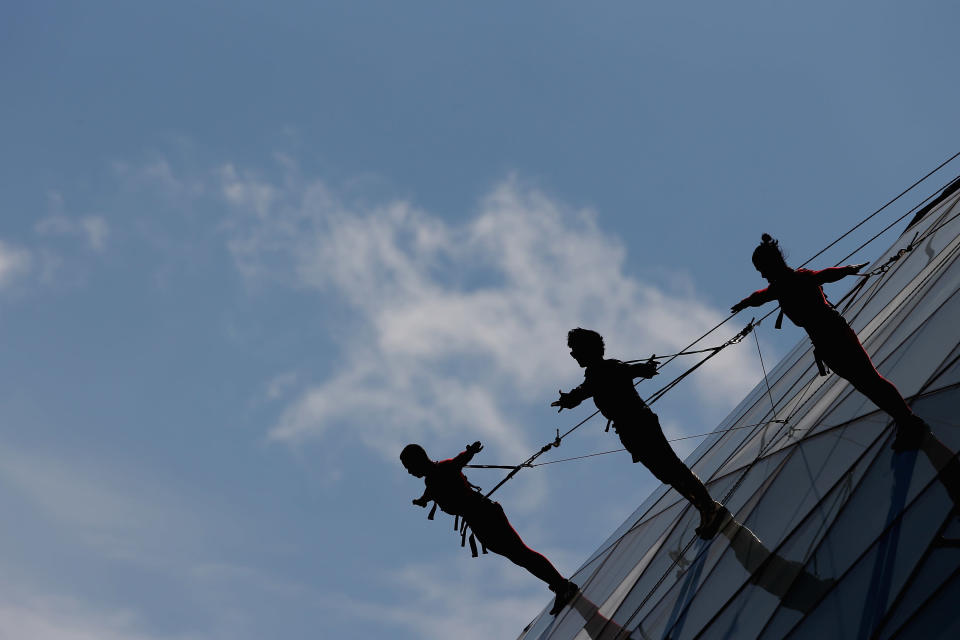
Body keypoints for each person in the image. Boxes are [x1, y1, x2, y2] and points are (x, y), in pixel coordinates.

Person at [731, 233, 929, 451]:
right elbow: (760, 296)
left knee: (870, 380)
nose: (762, 275)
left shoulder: (800, 278)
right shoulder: (779, 288)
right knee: (865, 384)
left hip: (837, 337)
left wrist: (847, 270)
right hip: (827, 345)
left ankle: (909, 421)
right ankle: (904, 421)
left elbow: (824, 275)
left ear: (772, 264)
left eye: (762, 270)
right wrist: (745, 302)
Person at [552, 328, 724, 538]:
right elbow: (585, 390)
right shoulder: (596, 374)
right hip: (630, 430)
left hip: (640, 424)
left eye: (575, 350)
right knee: (667, 473)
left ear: (588, 349)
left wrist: (645, 368)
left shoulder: (607, 368)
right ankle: (705, 508)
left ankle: (709, 507)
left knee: (671, 468)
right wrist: (569, 399)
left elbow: (626, 372)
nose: (573, 354)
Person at [400, 441, 579, 616]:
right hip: (478, 522)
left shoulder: (444, 468)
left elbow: (458, 461)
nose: (409, 472)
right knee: (518, 556)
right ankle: (560, 587)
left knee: (521, 553)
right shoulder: (431, 480)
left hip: (486, 516)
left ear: (419, 460)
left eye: (409, 466)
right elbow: (431, 491)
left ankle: (563, 586)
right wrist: (423, 500)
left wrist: (470, 452)